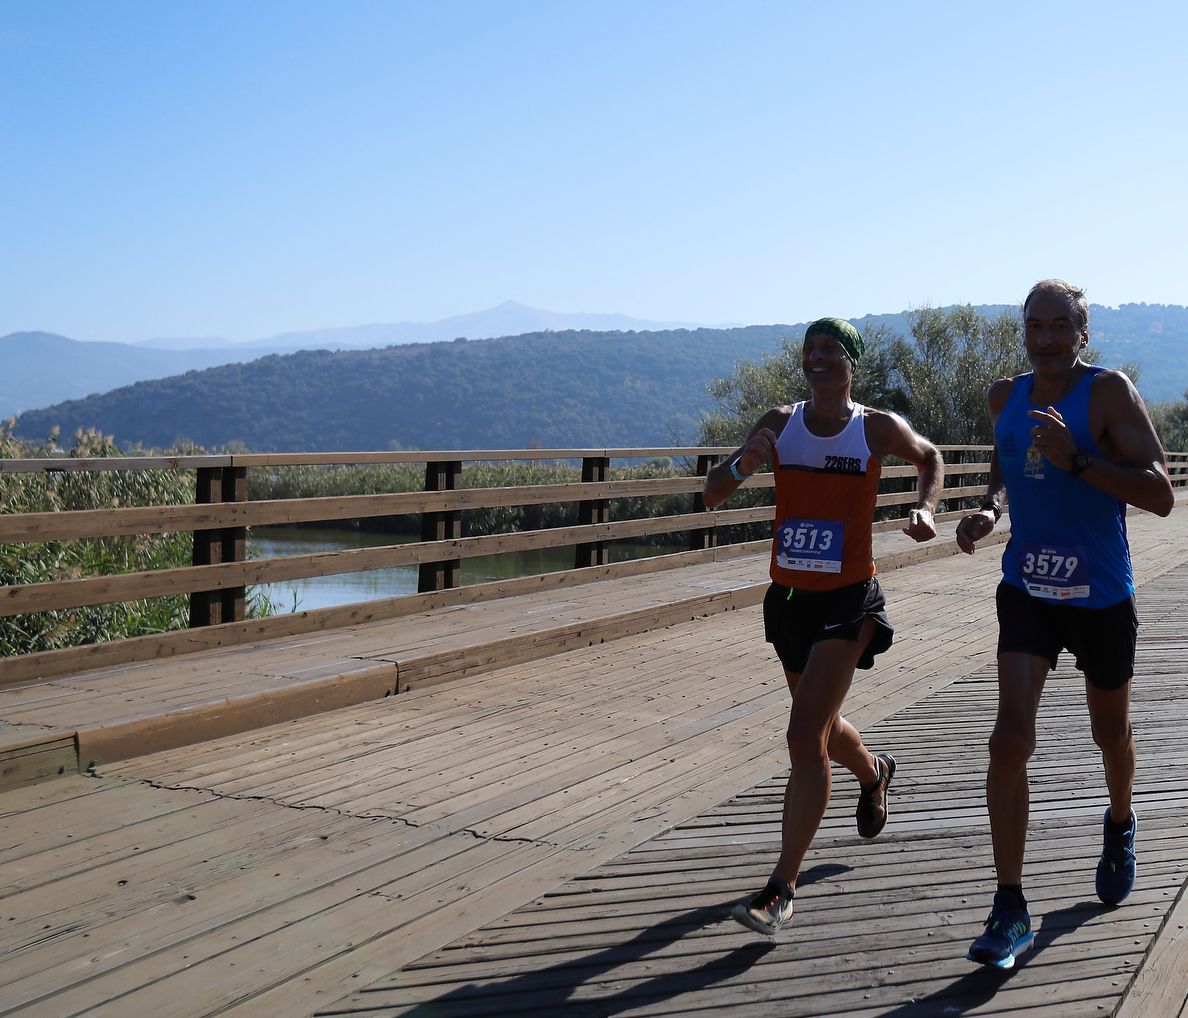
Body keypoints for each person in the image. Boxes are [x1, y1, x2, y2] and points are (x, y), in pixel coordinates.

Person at [957, 279, 1175, 970]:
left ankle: (1119, 822)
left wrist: (1080, 460)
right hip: (1029, 587)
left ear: (1082, 334)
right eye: (1034, 325)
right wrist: (990, 508)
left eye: (1059, 326)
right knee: (1008, 739)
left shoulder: (1107, 394)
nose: (1045, 337)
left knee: (1110, 732)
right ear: (1022, 331)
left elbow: (1161, 493)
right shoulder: (1005, 396)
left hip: (1102, 594)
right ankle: (1010, 906)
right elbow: (1004, 460)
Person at [704, 316, 943, 936]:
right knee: (824, 723)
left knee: (803, 732)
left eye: (831, 351)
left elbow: (930, 457)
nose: (818, 359)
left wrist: (923, 506)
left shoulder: (874, 427)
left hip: (848, 601)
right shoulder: (780, 424)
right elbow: (710, 495)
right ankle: (874, 774)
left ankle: (781, 888)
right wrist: (742, 462)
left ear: (851, 365)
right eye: (810, 351)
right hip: (788, 600)